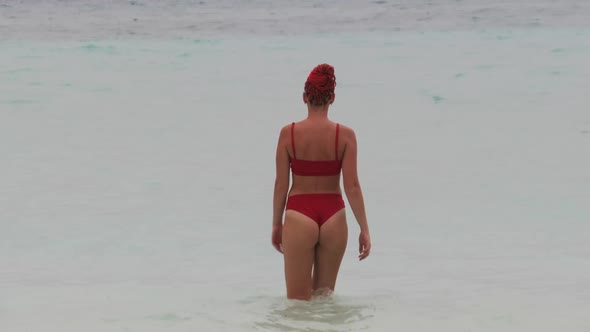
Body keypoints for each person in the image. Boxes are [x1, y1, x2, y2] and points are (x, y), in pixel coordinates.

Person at [271, 63, 371, 301]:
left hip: (298, 215)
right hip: (333, 217)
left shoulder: (289, 134)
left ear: (304, 96)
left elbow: (281, 185)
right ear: (332, 98)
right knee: (324, 302)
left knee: (297, 306)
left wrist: (276, 225)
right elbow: (352, 186)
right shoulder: (345, 136)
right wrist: (364, 228)